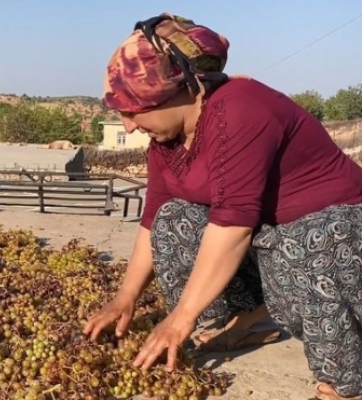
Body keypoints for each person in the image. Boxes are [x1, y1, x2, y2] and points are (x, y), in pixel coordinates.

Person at [82, 13, 362, 400]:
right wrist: (125, 296)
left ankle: (343, 380)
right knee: (173, 219)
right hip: (270, 236)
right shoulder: (167, 142)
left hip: (335, 232)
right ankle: (250, 319)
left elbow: (233, 224)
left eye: (133, 110)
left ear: (177, 91)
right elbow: (153, 218)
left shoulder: (239, 107)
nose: (128, 126)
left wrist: (180, 317)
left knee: (307, 244)